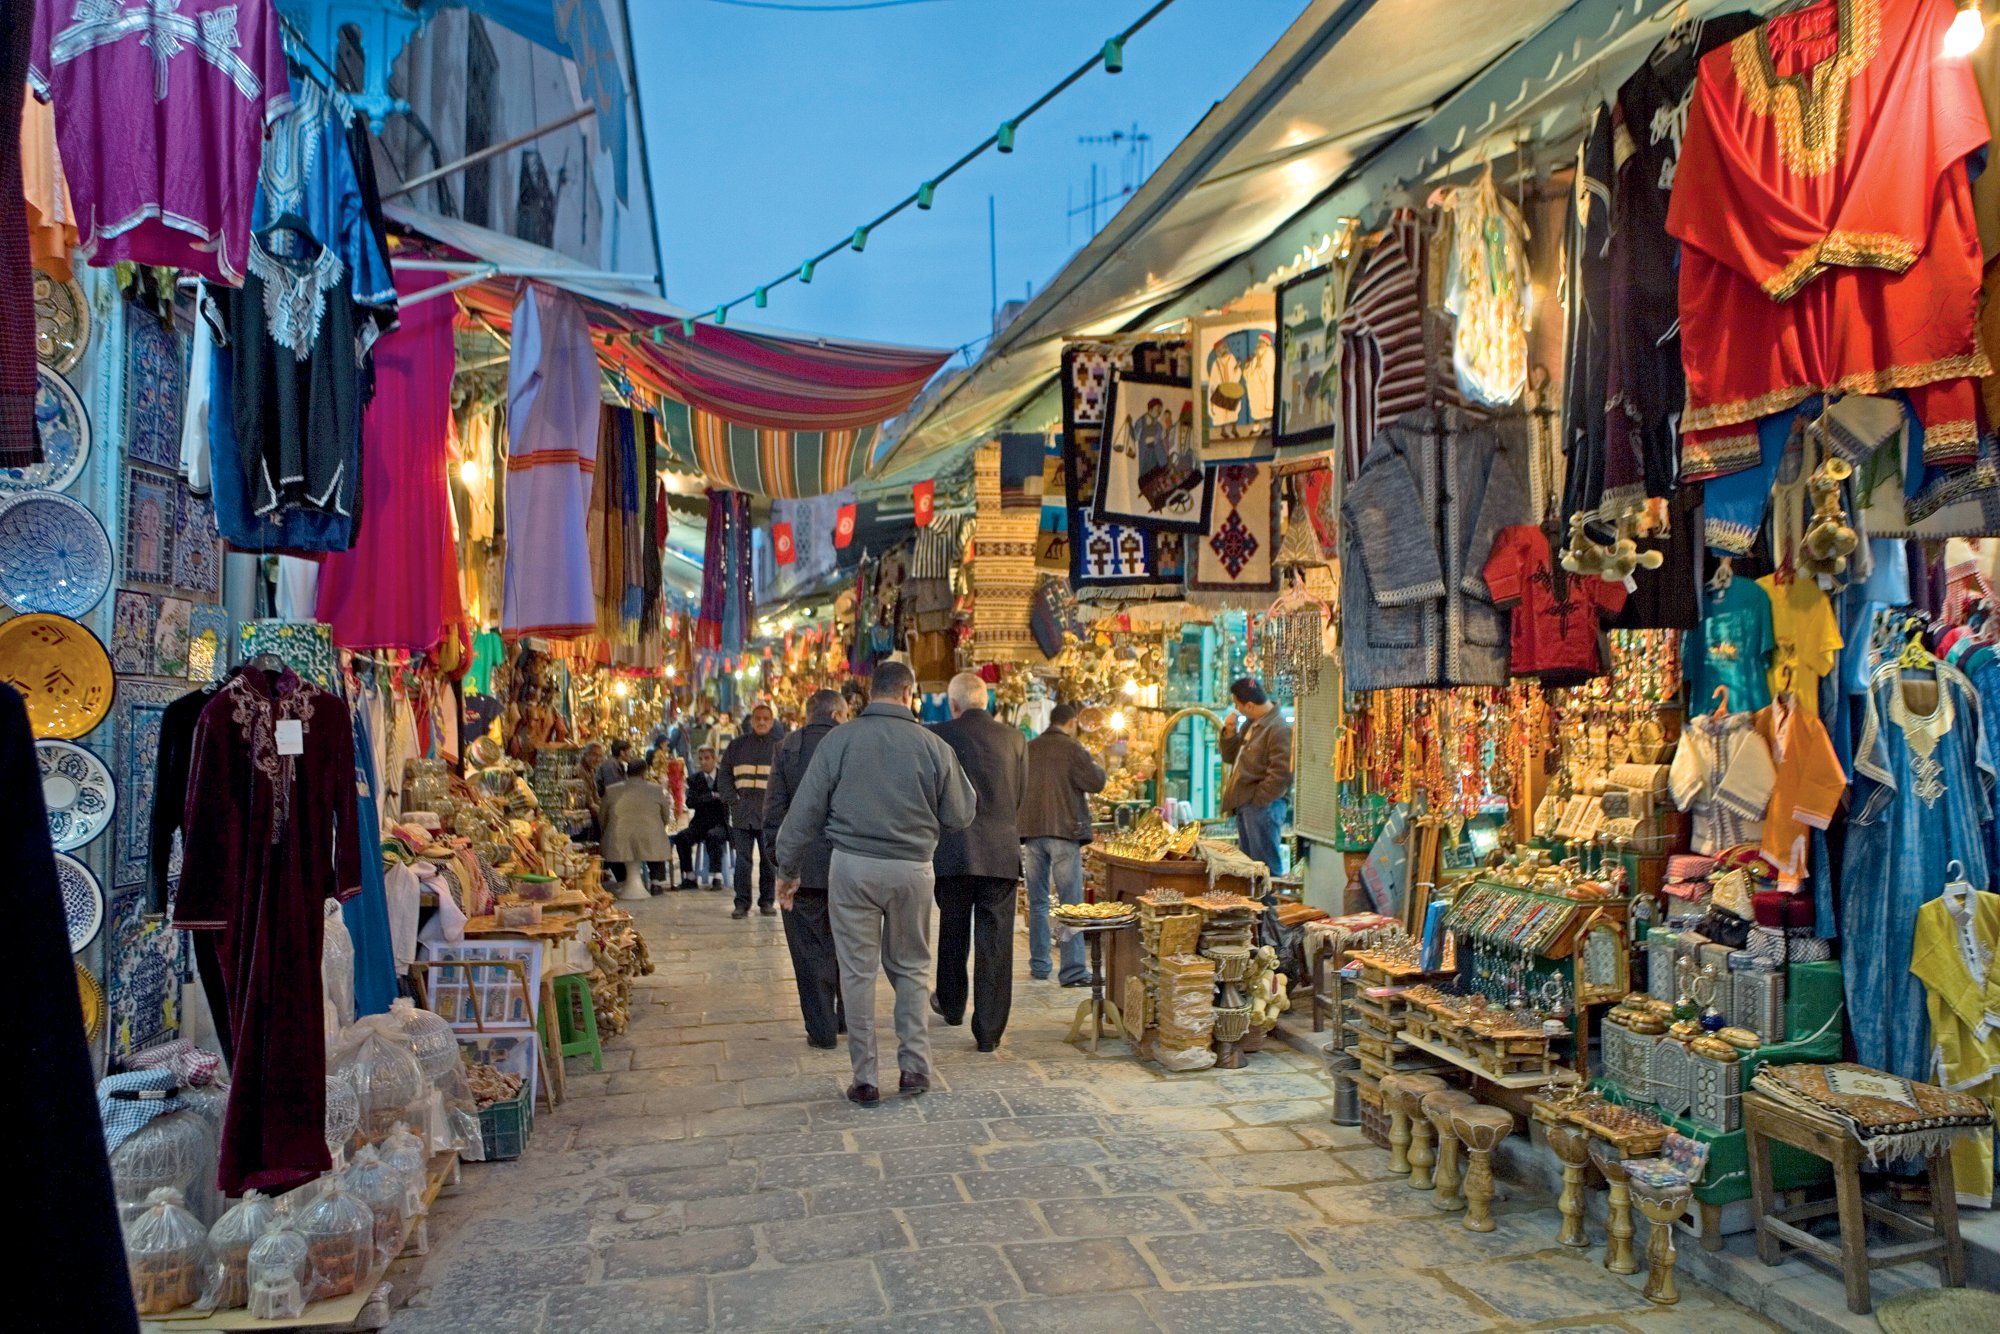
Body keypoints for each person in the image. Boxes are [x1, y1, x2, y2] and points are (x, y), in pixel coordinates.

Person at [774, 661, 976, 1105]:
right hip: (912, 870)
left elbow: (803, 811)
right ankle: (914, 1070)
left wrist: (786, 871)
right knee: (911, 969)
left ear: (868, 694)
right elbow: (962, 814)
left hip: (853, 869)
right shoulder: (932, 744)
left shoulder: (839, 741)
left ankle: (865, 1078)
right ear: (909, 693)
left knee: (858, 973)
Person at [929, 670, 1028, 1052]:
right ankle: (989, 1031)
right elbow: (1019, 795)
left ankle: (952, 1006)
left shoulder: (938, 735)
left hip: (952, 851)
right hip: (1000, 852)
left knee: (952, 931)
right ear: (987, 701)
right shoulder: (1015, 738)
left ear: (953, 704)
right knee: (996, 941)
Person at [762, 688, 848, 1048]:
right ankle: (847, 1018)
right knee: (848, 944)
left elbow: (774, 813)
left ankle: (822, 1029)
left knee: (807, 949)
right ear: (840, 713)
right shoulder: (850, 743)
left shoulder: (787, 748)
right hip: (848, 864)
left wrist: (779, 862)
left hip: (802, 866)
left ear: (808, 713)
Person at [1018, 703, 1105, 986]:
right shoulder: (1073, 749)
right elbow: (1096, 782)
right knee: (1070, 903)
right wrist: (1096, 760)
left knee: (1039, 902)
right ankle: (1072, 970)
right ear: (1071, 723)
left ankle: (1040, 965)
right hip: (1065, 833)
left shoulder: (1029, 748)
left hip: (1032, 833)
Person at [1218, 677, 1294, 873]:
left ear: (1249, 705)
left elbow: (1282, 772)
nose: (1236, 708)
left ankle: (1268, 904)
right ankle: (1255, 904)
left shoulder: (1278, 729)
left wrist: (1260, 800)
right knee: (1250, 869)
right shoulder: (1251, 725)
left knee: (1264, 869)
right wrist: (1229, 732)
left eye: (1237, 704)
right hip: (1248, 804)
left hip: (1262, 807)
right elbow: (1231, 757)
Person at [719, 703, 783, 918]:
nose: (762, 722)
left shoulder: (780, 747)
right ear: (752, 721)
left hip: (769, 816)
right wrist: (733, 800)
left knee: (768, 860)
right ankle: (742, 903)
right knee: (743, 860)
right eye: (758, 718)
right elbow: (724, 775)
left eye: (766, 718)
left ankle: (767, 902)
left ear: (772, 721)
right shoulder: (736, 746)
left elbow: (787, 780)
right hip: (742, 813)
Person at [600, 758, 674, 894]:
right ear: (644, 773)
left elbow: (602, 818)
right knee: (656, 836)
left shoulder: (611, 790)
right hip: (651, 839)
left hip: (618, 840)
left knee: (613, 840)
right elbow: (665, 817)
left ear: (627, 772)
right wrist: (658, 827)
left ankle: (623, 880)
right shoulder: (656, 790)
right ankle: (656, 882)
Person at [673, 747, 730, 888]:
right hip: (700, 823)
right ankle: (690, 876)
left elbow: (728, 798)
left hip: (720, 822)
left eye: (707, 758)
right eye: (701, 759)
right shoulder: (694, 779)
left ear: (714, 759)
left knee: (714, 836)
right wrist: (711, 796)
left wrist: (711, 798)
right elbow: (690, 802)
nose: (703, 762)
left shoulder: (724, 777)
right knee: (681, 837)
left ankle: (716, 876)